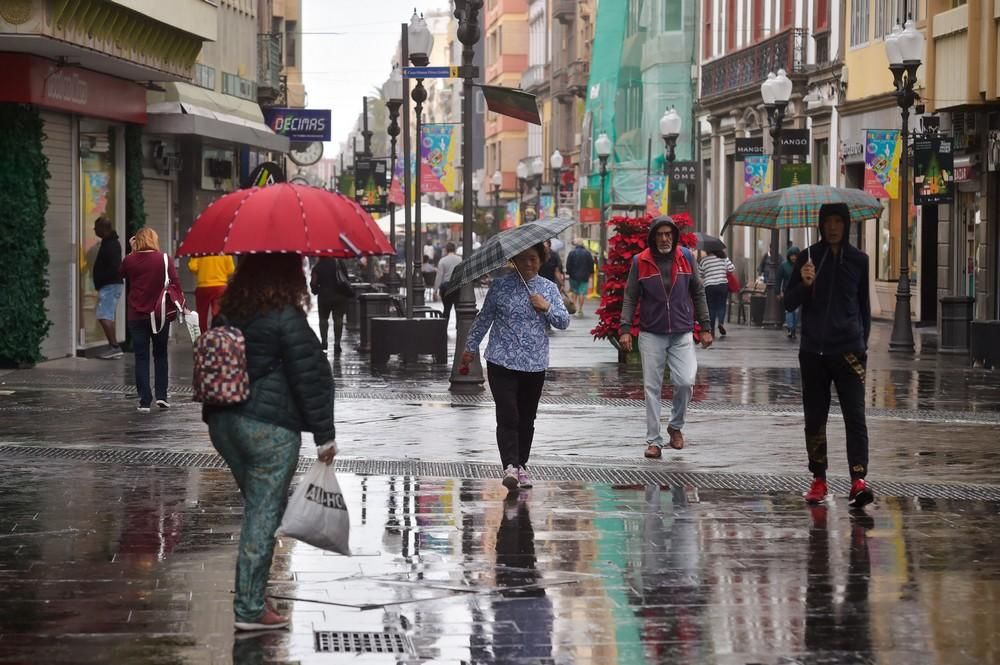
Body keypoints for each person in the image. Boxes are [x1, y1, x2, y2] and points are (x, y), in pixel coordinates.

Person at [205, 253, 337, 631]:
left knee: (264, 509)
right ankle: (249, 608)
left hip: (222, 422)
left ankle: (255, 590)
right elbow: (312, 377)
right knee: (262, 517)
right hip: (269, 428)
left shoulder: (228, 311)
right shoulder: (286, 317)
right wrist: (325, 437)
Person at [784, 203, 873, 508]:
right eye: (828, 222)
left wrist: (862, 345)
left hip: (848, 350)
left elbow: (864, 307)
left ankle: (858, 480)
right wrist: (805, 284)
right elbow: (787, 302)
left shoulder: (859, 260)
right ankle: (819, 479)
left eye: (839, 221)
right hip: (813, 352)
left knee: (855, 417)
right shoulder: (809, 258)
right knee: (815, 419)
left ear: (846, 224)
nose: (833, 227)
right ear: (820, 224)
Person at [460, 243, 571, 490]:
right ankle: (510, 465)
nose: (528, 264)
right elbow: (484, 319)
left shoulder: (548, 288)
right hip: (501, 361)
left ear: (541, 260)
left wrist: (547, 307)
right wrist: (469, 349)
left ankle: (521, 465)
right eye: (522, 260)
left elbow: (564, 321)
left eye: (532, 259)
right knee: (508, 413)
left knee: (526, 418)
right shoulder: (500, 286)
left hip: (534, 364)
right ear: (514, 261)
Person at [618, 216, 712, 458]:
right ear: (652, 237)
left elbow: (698, 292)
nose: (664, 238)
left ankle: (675, 426)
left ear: (674, 236)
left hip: (681, 331)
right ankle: (654, 441)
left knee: (685, 381)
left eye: (668, 234)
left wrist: (705, 326)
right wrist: (625, 328)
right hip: (651, 332)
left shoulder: (686, 257)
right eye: (659, 234)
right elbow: (630, 296)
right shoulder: (641, 261)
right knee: (652, 388)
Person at [119, 228, 181, 413]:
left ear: (136, 241)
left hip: (136, 316)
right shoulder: (164, 259)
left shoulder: (130, 260)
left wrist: (131, 252)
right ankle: (161, 396)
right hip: (160, 314)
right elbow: (176, 283)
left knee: (141, 356)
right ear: (154, 240)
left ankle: (145, 400)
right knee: (160, 354)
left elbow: (120, 274)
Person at [92, 216, 124, 359]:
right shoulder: (108, 242)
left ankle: (115, 347)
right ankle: (114, 347)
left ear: (104, 229)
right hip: (109, 285)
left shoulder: (111, 245)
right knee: (106, 315)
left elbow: (114, 267)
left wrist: (101, 279)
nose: (94, 230)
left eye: (96, 228)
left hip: (110, 285)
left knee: (104, 315)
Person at [309, 257, 352, 355]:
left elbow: (313, 283)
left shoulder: (318, 266)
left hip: (324, 297)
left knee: (323, 319)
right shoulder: (339, 263)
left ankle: (324, 342)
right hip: (339, 296)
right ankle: (337, 343)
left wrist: (315, 290)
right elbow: (346, 278)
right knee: (338, 319)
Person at [187, 254, 235, 331]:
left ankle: (203, 334)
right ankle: (219, 333)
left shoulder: (200, 250)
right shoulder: (224, 250)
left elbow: (193, 267)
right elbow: (231, 270)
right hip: (221, 286)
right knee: (218, 312)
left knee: (202, 315)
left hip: (203, 286)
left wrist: (202, 272)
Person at [699, 249, 735, 337]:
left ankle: (711, 330)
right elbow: (731, 268)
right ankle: (721, 323)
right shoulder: (723, 258)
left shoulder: (704, 260)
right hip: (722, 285)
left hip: (709, 286)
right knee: (721, 305)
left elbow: (699, 273)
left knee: (711, 307)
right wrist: (723, 270)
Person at [565, 239, 595, 317]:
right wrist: (591, 273)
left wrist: (568, 272)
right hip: (584, 276)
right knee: (582, 292)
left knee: (574, 292)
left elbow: (568, 264)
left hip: (573, 276)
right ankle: (580, 309)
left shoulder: (572, 253)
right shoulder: (587, 253)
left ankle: (574, 307)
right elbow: (591, 264)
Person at [435, 242, 462, 323]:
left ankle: (444, 328)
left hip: (446, 287)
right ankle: (459, 328)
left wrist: (435, 290)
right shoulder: (460, 259)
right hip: (457, 286)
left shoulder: (442, 260)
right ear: (455, 249)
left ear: (446, 250)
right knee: (458, 309)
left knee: (446, 309)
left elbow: (439, 276)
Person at [778, 245, 801, 339]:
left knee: (796, 311)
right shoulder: (783, 266)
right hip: (787, 290)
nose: (793, 257)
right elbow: (779, 279)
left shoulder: (801, 265)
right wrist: (778, 292)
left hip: (798, 291)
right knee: (788, 311)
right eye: (792, 255)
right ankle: (790, 328)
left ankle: (794, 328)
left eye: (795, 255)